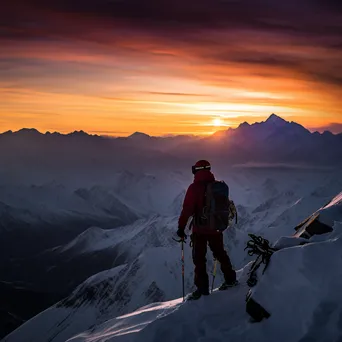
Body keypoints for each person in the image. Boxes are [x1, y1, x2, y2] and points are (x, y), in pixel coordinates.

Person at [176, 159, 237, 300]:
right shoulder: (217, 186)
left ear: (196, 171)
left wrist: (181, 227)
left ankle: (202, 289)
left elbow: (187, 210)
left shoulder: (194, 188)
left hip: (200, 230)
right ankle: (231, 279)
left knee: (199, 259)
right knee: (220, 253)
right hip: (216, 228)